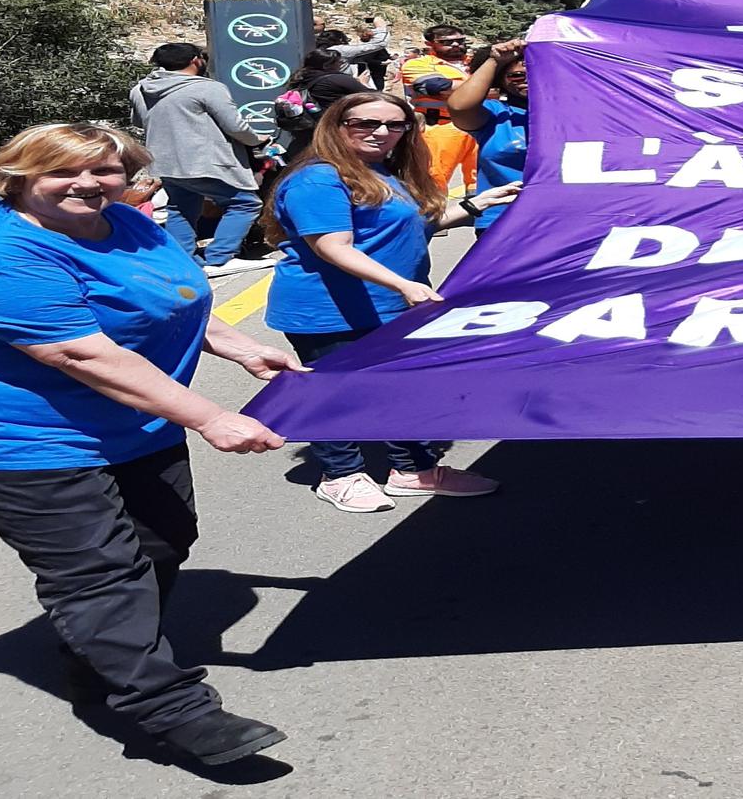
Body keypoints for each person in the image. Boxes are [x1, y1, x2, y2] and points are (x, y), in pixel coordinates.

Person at [0, 123, 299, 766]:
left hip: (132, 415)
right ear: (20, 175)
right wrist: (211, 417)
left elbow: (175, 298)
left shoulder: (128, 222)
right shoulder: (0, 250)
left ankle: (99, 654)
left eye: (105, 171)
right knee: (97, 569)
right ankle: (173, 710)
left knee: (165, 538)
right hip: (13, 433)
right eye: (62, 171)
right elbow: (79, 353)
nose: (87, 184)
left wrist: (239, 344)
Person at [261, 91, 520, 512]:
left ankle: (413, 471)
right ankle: (340, 473)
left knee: (403, 387)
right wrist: (403, 284)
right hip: (329, 309)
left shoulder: (380, 172)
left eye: (394, 125)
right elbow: (333, 246)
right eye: (365, 123)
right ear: (336, 126)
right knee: (334, 391)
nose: (382, 133)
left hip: (392, 306)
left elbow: (418, 225)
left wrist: (477, 204)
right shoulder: (318, 179)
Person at [128, 43, 273, 277]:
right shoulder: (207, 88)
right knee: (245, 203)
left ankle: (184, 259)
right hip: (205, 159)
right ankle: (220, 258)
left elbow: (139, 121)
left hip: (163, 159)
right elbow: (235, 126)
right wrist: (257, 138)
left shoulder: (140, 89)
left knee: (180, 207)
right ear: (196, 60)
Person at [448, 40, 530, 231]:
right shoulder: (495, 114)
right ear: (500, 80)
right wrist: (495, 61)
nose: (527, 80)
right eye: (517, 76)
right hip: (502, 220)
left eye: (536, 73)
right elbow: (460, 106)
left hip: (568, 220)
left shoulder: (576, 113)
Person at [275, 46, 369, 161]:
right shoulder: (337, 79)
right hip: (333, 128)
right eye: (338, 62)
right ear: (327, 66)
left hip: (308, 130)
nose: (341, 64)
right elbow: (373, 96)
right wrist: (363, 83)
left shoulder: (300, 79)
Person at [399, 25, 474, 118]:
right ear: (429, 44)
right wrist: (489, 86)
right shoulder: (417, 64)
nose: (455, 44)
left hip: (484, 123)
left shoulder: (477, 61)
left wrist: (457, 86)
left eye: (460, 41)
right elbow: (437, 87)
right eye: (446, 42)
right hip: (440, 125)